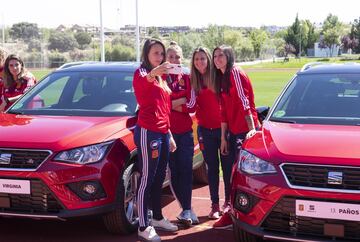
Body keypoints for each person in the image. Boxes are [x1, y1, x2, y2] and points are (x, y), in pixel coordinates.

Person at [133, 38, 178, 242]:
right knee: (147, 179)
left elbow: (164, 109)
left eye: (161, 53)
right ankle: (143, 225)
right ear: (146, 55)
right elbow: (144, 84)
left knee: (160, 178)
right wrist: (154, 73)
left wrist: (168, 134)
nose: (159, 57)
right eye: (155, 53)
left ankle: (157, 217)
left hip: (161, 133)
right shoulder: (143, 73)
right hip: (147, 132)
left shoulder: (162, 78)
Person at [211, 45, 259, 228]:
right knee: (232, 173)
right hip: (232, 132)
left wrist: (252, 130)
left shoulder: (235, 73)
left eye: (221, 55)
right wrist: (224, 137)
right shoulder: (223, 77)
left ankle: (241, 215)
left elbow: (245, 102)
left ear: (228, 56)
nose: (217, 59)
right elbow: (223, 111)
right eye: (215, 56)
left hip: (244, 131)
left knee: (242, 174)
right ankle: (232, 212)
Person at [190, 47, 232, 220]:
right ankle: (215, 204)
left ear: (208, 59)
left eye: (202, 58)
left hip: (223, 130)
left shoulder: (218, 77)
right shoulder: (193, 80)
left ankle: (228, 203)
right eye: (196, 59)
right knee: (212, 169)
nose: (199, 62)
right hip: (205, 131)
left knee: (228, 168)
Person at [165, 41, 199, 226]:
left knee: (186, 171)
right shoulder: (161, 77)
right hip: (168, 133)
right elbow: (162, 106)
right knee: (174, 172)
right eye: (170, 56)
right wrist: (180, 102)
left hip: (185, 133)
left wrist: (173, 104)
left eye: (177, 56)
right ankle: (186, 208)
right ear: (165, 58)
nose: (174, 59)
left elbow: (192, 105)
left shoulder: (186, 77)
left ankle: (186, 209)